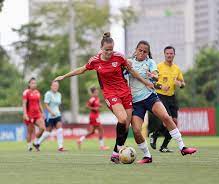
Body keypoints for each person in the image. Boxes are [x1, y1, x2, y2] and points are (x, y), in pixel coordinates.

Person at [54, 32, 154, 163]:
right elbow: (81, 69)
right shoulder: (95, 61)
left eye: (111, 49)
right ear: (101, 48)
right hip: (110, 94)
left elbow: (132, 71)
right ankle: (119, 148)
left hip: (125, 93)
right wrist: (64, 76)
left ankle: (114, 154)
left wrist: (146, 82)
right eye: (107, 50)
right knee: (122, 119)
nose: (109, 52)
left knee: (125, 126)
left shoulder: (119, 57)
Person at [129, 41, 197, 164]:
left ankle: (182, 147)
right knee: (136, 130)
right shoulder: (129, 63)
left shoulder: (150, 62)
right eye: (140, 50)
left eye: (145, 51)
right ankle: (147, 156)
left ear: (147, 53)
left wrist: (153, 76)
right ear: (136, 49)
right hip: (136, 102)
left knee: (166, 117)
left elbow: (155, 75)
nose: (142, 53)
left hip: (150, 97)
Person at [149, 46, 185, 152]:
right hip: (160, 96)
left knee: (174, 122)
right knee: (167, 121)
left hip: (172, 97)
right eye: (167, 53)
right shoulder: (158, 67)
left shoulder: (176, 68)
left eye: (171, 53)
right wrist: (161, 86)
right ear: (164, 54)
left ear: (174, 54)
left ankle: (164, 146)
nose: (169, 55)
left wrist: (180, 84)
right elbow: (152, 82)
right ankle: (154, 135)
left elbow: (183, 84)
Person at [32, 81, 65, 151]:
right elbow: (46, 104)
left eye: (57, 86)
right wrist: (51, 112)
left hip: (57, 114)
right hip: (50, 116)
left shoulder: (59, 94)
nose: (56, 87)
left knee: (60, 129)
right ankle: (37, 143)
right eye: (54, 86)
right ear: (51, 86)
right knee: (48, 132)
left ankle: (60, 146)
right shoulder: (48, 94)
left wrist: (56, 112)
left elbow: (57, 105)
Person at [22, 77, 46, 151]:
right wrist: (25, 114)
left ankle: (35, 142)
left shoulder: (37, 92)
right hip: (30, 115)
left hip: (37, 114)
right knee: (30, 131)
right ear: (29, 84)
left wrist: (43, 112)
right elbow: (24, 103)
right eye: (32, 83)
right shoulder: (26, 92)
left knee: (42, 128)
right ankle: (29, 146)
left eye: (35, 83)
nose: (34, 84)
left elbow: (39, 103)